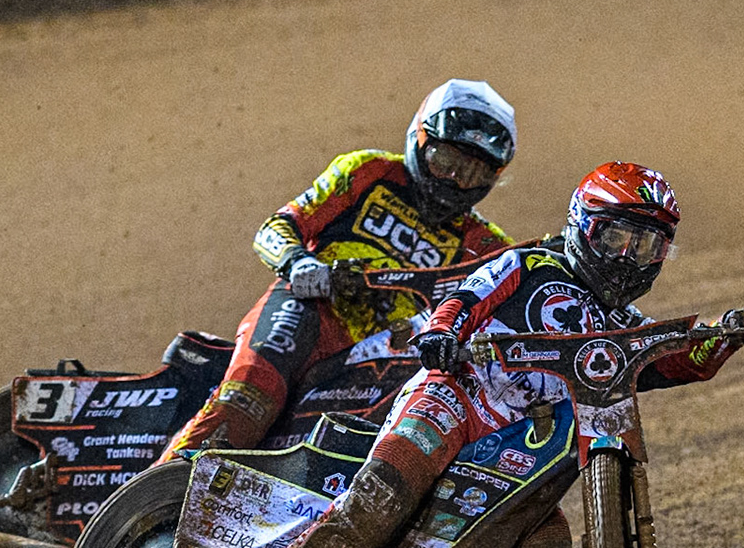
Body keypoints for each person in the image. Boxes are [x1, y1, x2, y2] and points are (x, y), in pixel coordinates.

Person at [207, 162, 744, 548]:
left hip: (519, 455)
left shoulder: (622, 325)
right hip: (451, 401)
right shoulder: (526, 264)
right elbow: (463, 299)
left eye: (646, 244)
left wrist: (723, 339)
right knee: (370, 510)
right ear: (581, 226)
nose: (627, 255)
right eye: (616, 235)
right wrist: (442, 335)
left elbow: (671, 359)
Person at [160, 81, 517, 461]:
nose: (455, 182)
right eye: (445, 163)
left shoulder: (488, 247)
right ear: (419, 138)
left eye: (473, 173)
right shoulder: (367, 171)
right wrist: (302, 264)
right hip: (310, 313)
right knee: (248, 399)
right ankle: (156, 493)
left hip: (387, 353)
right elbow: (275, 229)